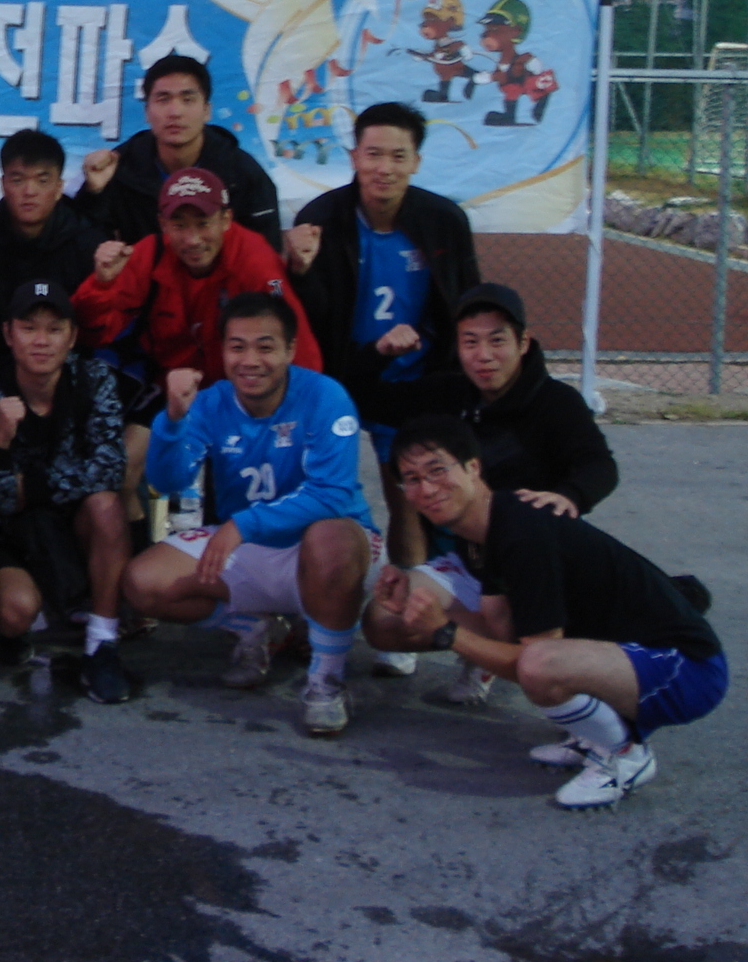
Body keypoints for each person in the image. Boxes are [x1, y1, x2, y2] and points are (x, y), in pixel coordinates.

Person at [373, 417, 726, 809]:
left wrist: (445, 631)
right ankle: (593, 737)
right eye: (412, 479)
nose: (427, 489)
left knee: (540, 663)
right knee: (520, 642)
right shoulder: (486, 529)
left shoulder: (522, 531)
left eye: (437, 470)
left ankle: (625, 756)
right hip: (633, 656)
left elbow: (530, 663)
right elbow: (499, 628)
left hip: (687, 668)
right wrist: (417, 611)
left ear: (473, 467)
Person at [123, 292, 379, 736]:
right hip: (253, 546)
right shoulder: (211, 401)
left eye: (265, 346)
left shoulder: (325, 395)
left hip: (329, 549)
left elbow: (333, 493)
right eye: (237, 347)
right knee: (142, 582)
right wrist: (173, 420)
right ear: (222, 351)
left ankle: (325, 681)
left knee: (329, 537)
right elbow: (168, 481)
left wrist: (243, 523)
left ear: (290, 350)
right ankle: (253, 627)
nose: (250, 361)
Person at [284, 100, 480, 677]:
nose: (384, 168)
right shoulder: (322, 217)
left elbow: (463, 301)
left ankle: (407, 617)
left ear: (416, 161)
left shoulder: (443, 221)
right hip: (345, 378)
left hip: (415, 383)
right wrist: (299, 270)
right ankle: (302, 611)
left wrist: (441, 360)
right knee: (315, 494)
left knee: (411, 500)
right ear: (353, 157)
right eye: (373, 154)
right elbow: (310, 319)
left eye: (398, 156)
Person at [360, 283, 620, 705]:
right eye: (470, 342)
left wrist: (569, 496)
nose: (483, 355)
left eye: (497, 341)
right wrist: (380, 354)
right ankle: (484, 653)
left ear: (523, 342)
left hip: (533, 563)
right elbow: (364, 399)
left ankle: (583, 687)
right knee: (384, 620)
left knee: (548, 659)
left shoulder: (557, 402)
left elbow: (600, 465)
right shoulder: (447, 392)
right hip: (469, 559)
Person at [73, 166, 320, 542]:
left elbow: (297, 350)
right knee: (120, 472)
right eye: (179, 225)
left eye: (203, 223)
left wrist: (296, 424)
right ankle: (143, 555)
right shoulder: (149, 253)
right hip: (171, 386)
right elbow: (96, 329)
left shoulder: (254, 261)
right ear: (163, 225)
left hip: (240, 395)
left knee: (247, 489)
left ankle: (244, 558)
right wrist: (102, 283)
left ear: (226, 220)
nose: (192, 239)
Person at [0, 281, 131, 703]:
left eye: (54, 329)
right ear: (8, 333)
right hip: (10, 538)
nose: (41, 340)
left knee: (107, 506)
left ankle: (102, 643)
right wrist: (1, 443)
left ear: (72, 337)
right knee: (15, 611)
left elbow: (110, 468)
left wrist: (33, 486)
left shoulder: (93, 380)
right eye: (29, 327)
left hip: (69, 526)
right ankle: (18, 626)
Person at [0, 128, 103, 406]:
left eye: (42, 180)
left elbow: (99, 327)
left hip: (66, 375)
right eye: (18, 179)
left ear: (59, 187)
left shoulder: (86, 241)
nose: (29, 192)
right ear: (3, 184)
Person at [75, 54, 282, 249]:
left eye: (188, 99)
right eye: (163, 100)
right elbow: (85, 250)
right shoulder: (121, 168)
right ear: (147, 112)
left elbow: (266, 256)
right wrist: (94, 194)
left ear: (207, 111)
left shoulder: (242, 174)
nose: (175, 112)